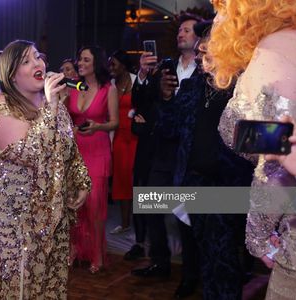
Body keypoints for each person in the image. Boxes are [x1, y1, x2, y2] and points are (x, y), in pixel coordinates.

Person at [0, 40, 91, 299]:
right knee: (10, 281)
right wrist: (50, 107)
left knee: (43, 279)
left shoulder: (53, 105)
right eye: (26, 61)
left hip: (46, 212)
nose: (37, 63)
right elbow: (34, 153)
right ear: (12, 75)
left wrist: (80, 180)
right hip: (5, 218)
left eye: (37, 57)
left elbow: (66, 147)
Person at [206, 0, 296, 299]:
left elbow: (276, 161)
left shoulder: (277, 48)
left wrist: (259, 237)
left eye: (221, 4)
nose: (216, 14)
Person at [157, 20, 254, 300]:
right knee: (208, 254)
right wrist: (165, 100)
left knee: (224, 257)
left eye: (207, 46)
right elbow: (170, 129)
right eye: (200, 47)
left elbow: (257, 144)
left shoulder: (243, 86)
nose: (199, 51)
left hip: (229, 186)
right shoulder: (191, 87)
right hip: (195, 183)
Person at [130, 13, 202, 299]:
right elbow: (141, 103)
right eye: (179, 30)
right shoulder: (167, 67)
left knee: (186, 214)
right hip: (162, 150)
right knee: (150, 205)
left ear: (199, 37)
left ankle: (190, 274)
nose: (180, 34)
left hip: (189, 152)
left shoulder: (207, 70)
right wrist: (145, 76)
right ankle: (159, 262)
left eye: (186, 30)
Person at [66, 45, 119, 273]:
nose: (81, 63)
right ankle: (74, 248)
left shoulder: (109, 89)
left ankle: (97, 253)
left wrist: (98, 126)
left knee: (95, 203)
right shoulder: (75, 86)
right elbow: (64, 116)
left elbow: (115, 122)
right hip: (76, 151)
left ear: (96, 63)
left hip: (98, 150)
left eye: (86, 60)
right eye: (80, 59)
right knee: (75, 204)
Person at [108, 50, 138, 234]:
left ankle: (142, 224)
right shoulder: (110, 85)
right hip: (118, 136)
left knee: (137, 180)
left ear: (124, 65)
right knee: (121, 180)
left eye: (114, 64)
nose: (110, 68)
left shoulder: (137, 80)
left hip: (136, 136)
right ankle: (125, 222)